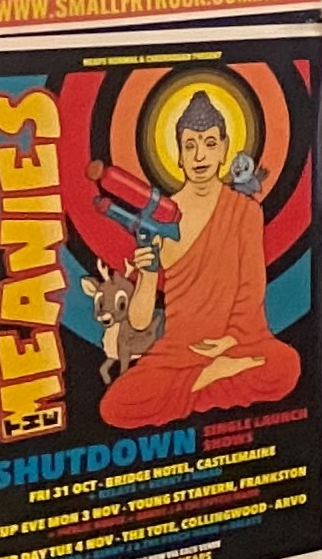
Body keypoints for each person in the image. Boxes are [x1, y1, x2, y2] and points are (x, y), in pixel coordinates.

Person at [101, 89, 298, 426]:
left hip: (236, 342)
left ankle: (198, 386)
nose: (200, 155)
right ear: (178, 154)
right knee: (115, 406)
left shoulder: (244, 211)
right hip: (179, 350)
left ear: (224, 148)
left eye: (209, 143)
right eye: (190, 145)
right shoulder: (160, 216)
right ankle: (209, 378)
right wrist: (148, 273)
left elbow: (251, 289)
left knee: (286, 366)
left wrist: (230, 341)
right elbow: (139, 321)